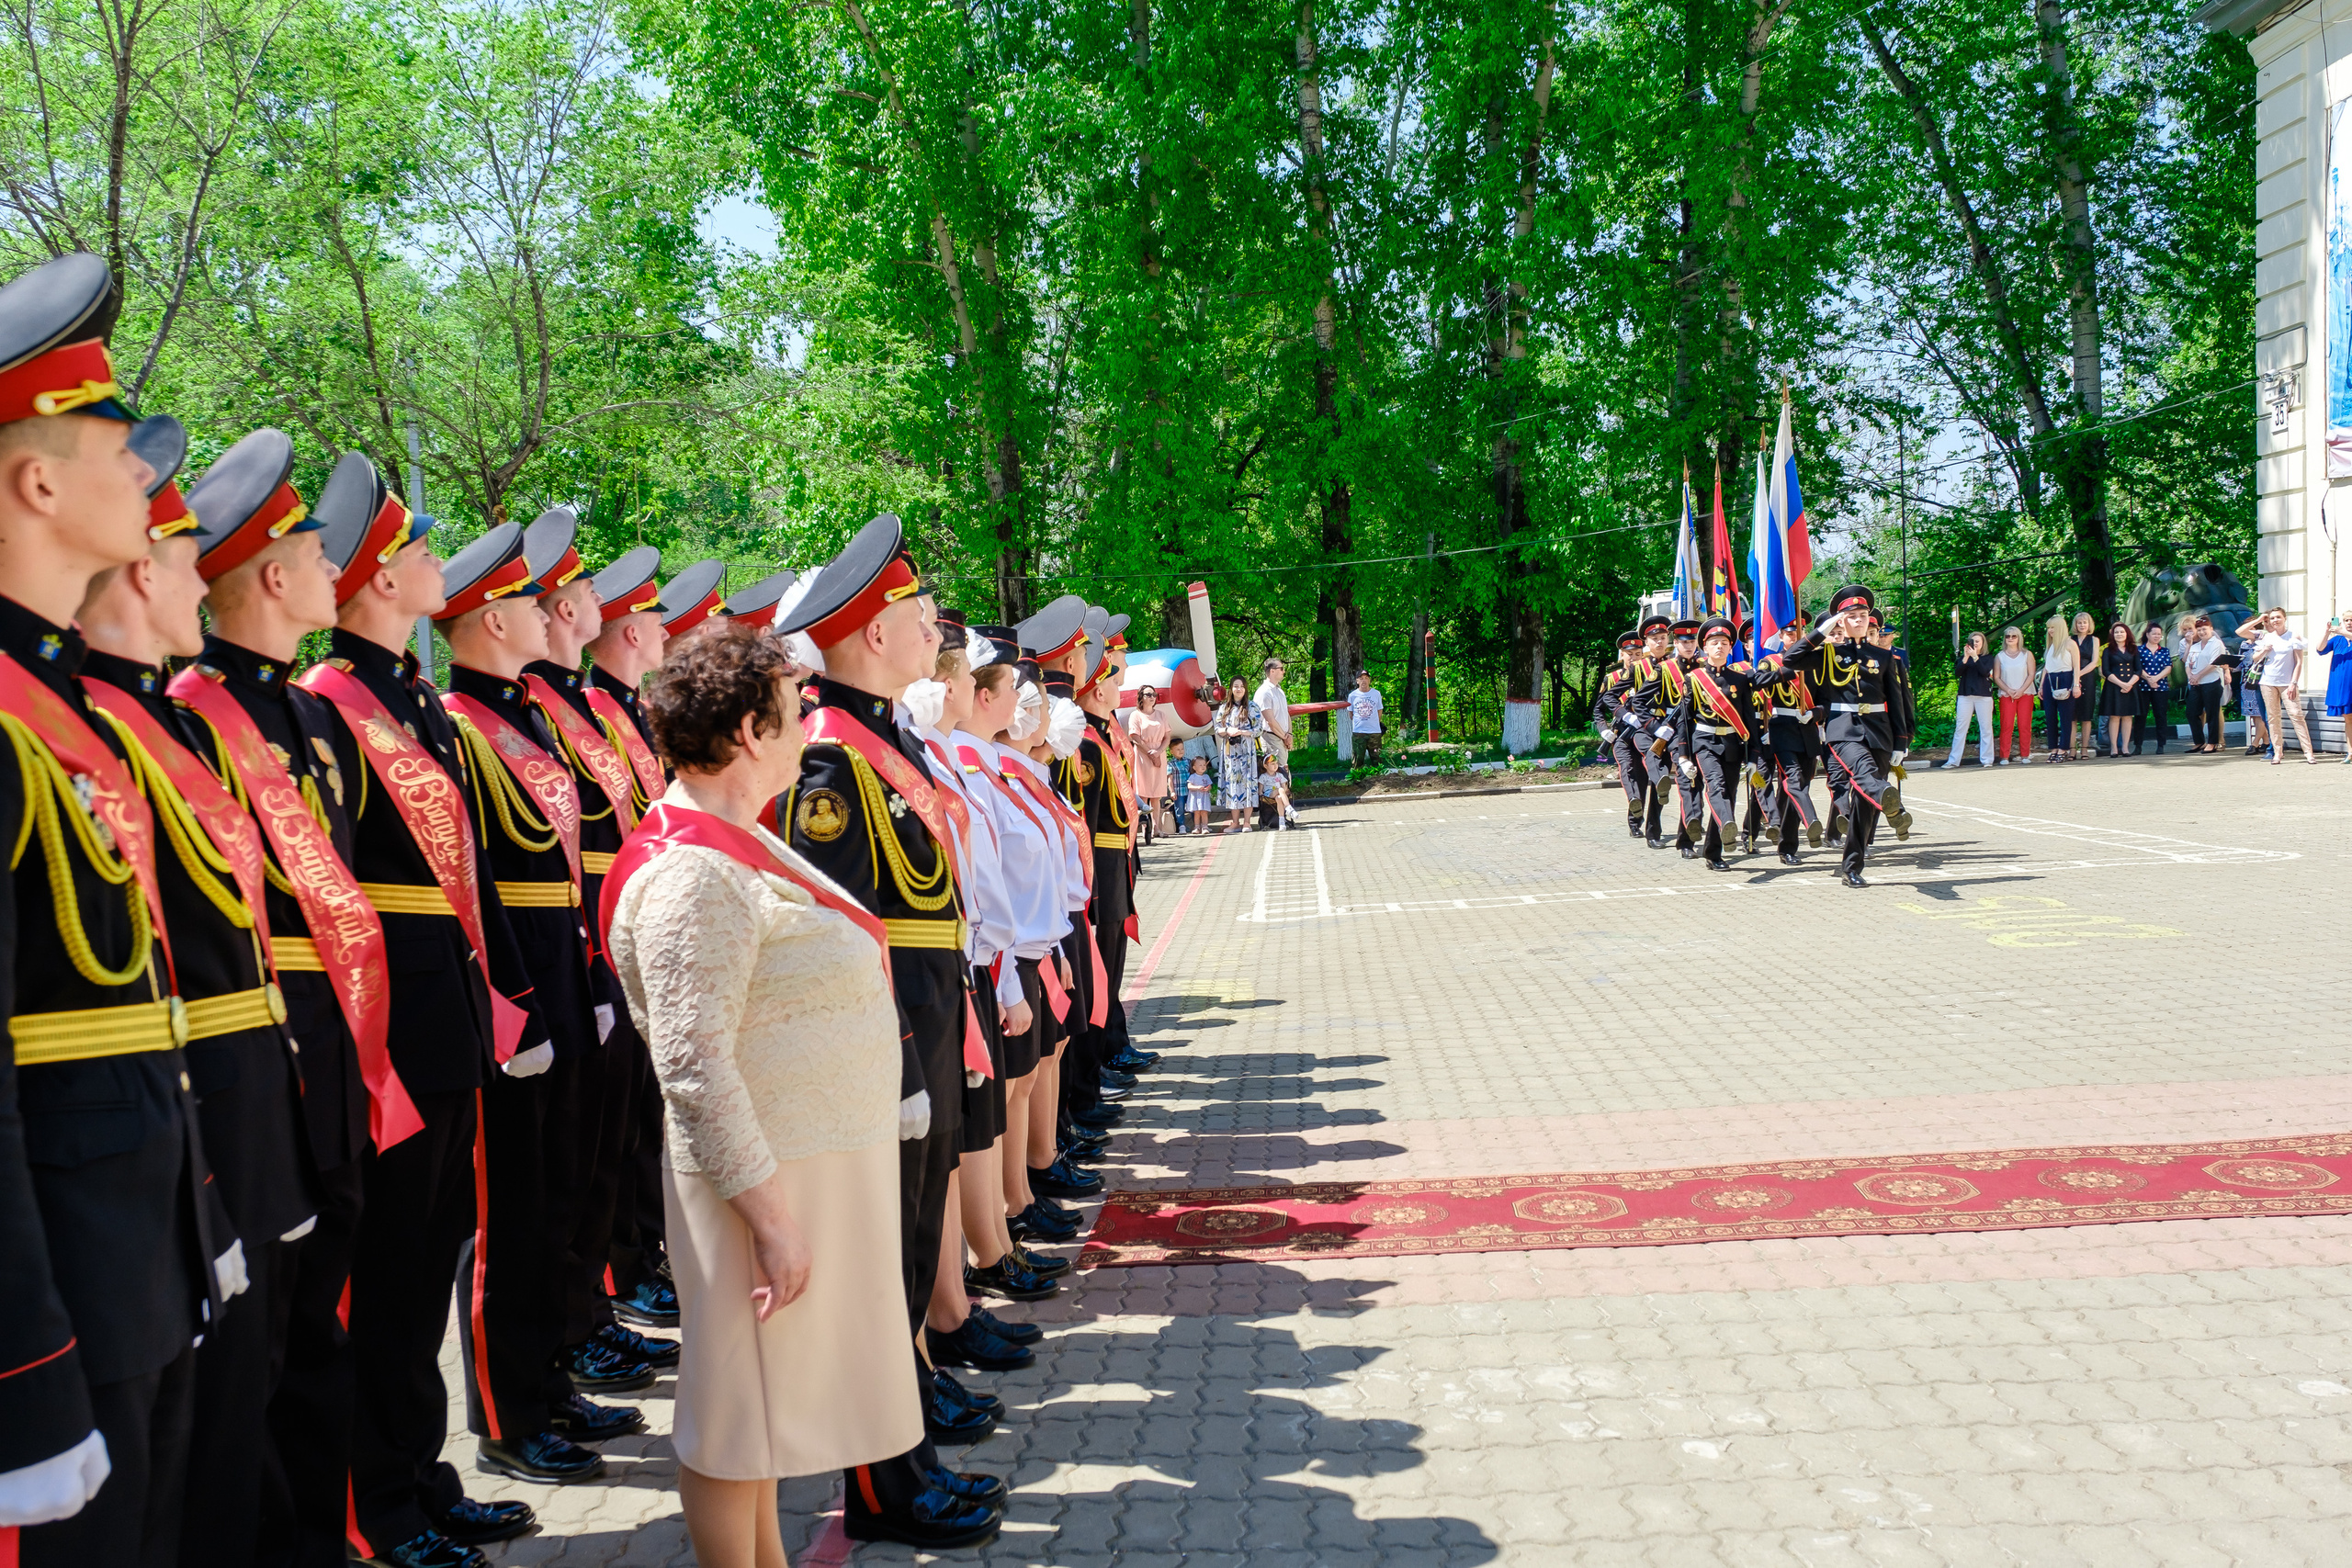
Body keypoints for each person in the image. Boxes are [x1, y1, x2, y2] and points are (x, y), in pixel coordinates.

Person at [602, 624, 947, 1568]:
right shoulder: (692, 872)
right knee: (732, 1417)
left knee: (761, 1420)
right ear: (751, 732)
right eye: (794, 713)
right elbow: (694, 1064)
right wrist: (772, 1220)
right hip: (759, 1185)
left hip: (804, 1165)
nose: (808, 729)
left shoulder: (737, 841)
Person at [0, 253, 229, 1567]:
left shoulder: (57, 710)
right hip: (61, 1303)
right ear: (37, 484)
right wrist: (22, 1380)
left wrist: (204, 1221)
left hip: (140, 1254)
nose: (146, 470)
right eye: (113, 442)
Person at [774, 514, 1006, 1546]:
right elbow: (837, 933)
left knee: (910, 1249)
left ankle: (906, 1456)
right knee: (882, 1259)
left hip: (928, 1008)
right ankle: (884, 1487)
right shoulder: (830, 758)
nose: (934, 633)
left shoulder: (882, 738)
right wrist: (900, 1054)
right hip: (888, 1031)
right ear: (873, 633)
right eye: (920, 617)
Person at [1769, 585, 1905, 888]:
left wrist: (1901, 742)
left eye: (1863, 615)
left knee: (1864, 804)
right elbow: (1790, 660)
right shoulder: (1828, 654)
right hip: (1843, 731)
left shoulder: (1883, 657)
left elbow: (1896, 701)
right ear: (1841, 621)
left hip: (1879, 732)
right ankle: (1885, 793)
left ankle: (1852, 866)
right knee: (1865, 774)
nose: (1859, 620)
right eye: (1852, 616)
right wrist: (1822, 631)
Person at [1667, 616, 1761, 871]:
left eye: (1724, 643)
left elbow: (1749, 720)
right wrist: (1683, 756)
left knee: (1729, 793)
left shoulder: (1740, 680)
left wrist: (1753, 756)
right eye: (1714, 643)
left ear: (1730, 648)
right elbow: (1685, 719)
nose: (1719, 647)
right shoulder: (1694, 679)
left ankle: (1713, 852)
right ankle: (1728, 823)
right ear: (1705, 648)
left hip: (1732, 743)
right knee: (1716, 786)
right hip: (1705, 742)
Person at [2244, 607, 2316, 764]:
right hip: (2267, 682)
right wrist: (2264, 650)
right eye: (2272, 618)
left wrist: (2293, 683)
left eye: (2278, 617)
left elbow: (2298, 663)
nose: (2275, 620)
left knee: (2296, 715)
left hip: (2287, 683)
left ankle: (2308, 752)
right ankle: (2277, 752)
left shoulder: (2293, 636)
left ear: (2284, 618)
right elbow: (2255, 658)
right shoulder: (2266, 637)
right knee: (2272, 717)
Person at [1123, 685, 1172, 841]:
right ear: (1141, 697)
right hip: (1143, 754)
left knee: (1157, 794)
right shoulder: (1136, 715)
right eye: (1148, 694)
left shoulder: (1161, 715)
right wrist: (1150, 753)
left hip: (1159, 752)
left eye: (1154, 694)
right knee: (1143, 793)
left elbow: (1167, 737)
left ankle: (1157, 828)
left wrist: (1159, 751)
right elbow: (1135, 737)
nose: (1152, 697)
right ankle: (1146, 828)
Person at [1212, 676, 1260, 832]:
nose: (1239, 689)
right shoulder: (1224, 708)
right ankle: (1235, 822)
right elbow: (1217, 728)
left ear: (1245, 689)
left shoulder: (1252, 707)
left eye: (1242, 686)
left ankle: (1247, 822)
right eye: (1236, 686)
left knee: (1247, 784)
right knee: (1232, 784)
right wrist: (1228, 730)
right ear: (1231, 689)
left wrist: (1241, 732)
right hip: (1230, 752)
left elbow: (1259, 729)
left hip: (1247, 751)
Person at [1944, 631, 1994, 768]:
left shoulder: (1988, 658)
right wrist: (1966, 657)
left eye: (1978, 641)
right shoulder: (1963, 658)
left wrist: (1975, 657)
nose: (1975, 644)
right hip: (1965, 695)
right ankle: (1953, 760)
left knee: (1986, 728)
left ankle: (1987, 760)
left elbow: (1985, 672)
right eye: (1973, 641)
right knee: (1960, 728)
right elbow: (1957, 673)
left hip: (1983, 696)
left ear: (1983, 643)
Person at [2182, 615, 2230, 754]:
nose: (2202, 632)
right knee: (2191, 712)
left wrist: (2198, 675)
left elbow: (2214, 663)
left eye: (2205, 629)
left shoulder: (2216, 643)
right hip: (2196, 684)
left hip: (2211, 682)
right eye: (2199, 630)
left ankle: (2213, 742)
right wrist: (2191, 676)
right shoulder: (2195, 646)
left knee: (2212, 713)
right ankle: (2199, 741)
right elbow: (2187, 663)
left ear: (2211, 629)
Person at [2098, 620, 2144, 759]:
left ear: (2127, 633)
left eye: (2122, 632)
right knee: (2114, 716)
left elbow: (2138, 669)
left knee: (2128, 716)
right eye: (2116, 632)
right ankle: (2114, 748)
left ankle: (2125, 747)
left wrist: (2129, 684)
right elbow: (2106, 671)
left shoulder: (2133, 649)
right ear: (2112, 634)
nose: (2119, 634)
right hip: (2114, 686)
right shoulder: (2108, 650)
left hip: (2131, 686)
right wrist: (2121, 684)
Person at [2040, 615, 2080, 763]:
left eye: (2053, 627)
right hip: (2050, 680)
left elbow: (2076, 666)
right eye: (2049, 628)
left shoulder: (2070, 644)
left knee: (2065, 717)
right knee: (2050, 716)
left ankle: (2064, 749)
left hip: (2065, 678)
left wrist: (2076, 685)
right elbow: (2046, 667)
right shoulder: (2050, 646)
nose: (2050, 631)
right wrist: (2041, 685)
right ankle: (2053, 749)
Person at [1993, 626, 2036, 764]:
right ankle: (2004, 756)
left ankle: (2025, 755)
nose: (2010, 638)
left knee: (2025, 725)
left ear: (2019, 638)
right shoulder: (1999, 656)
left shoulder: (2027, 654)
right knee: (2006, 725)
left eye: (2014, 636)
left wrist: (2021, 690)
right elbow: (1996, 677)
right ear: (2004, 639)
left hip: (2026, 693)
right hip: (2007, 694)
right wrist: (2008, 690)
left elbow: (2031, 674)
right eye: (2008, 636)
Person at [2135, 622, 2174, 754]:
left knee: (2161, 716)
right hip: (2143, 687)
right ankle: (2138, 745)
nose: (2157, 636)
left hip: (2160, 687)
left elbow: (2168, 667)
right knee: (2140, 716)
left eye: (2159, 634)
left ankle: (2161, 745)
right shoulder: (2139, 650)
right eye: (2154, 634)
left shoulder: (2164, 650)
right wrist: (2149, 679)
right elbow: (2137, 667)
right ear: (2147, 634)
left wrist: (2155, 678)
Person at [1251, 658, 1292, 769]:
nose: (1284, 671)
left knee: (1283, 770)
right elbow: (1270, 721)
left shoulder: (1279, 691)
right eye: (1281, 668)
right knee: (1277, 771)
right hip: (1270, 737)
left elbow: (1286, 714)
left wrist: (1290, 735)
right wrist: (1285, 737)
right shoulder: (1264, 692)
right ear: (1272, 671)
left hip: (1282, 737)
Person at [2070, 612, 2100, 756]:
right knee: (2072, 716)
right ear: (2075, 625)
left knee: (2086, 715)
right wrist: (2074, 676)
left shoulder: (2094, 640)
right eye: (2079, 623)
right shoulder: (2070, 640)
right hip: (2070, 677)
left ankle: (2084, 749)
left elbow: (2094, 662)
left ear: (2089, 624)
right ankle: (2072, 749)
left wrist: (2079, 674)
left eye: (2085, 622)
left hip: (2087, 677)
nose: (2082, 625)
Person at [1346, 669, 1385, 767]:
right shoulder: (1352, 695)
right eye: (1361, 678)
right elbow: (1351, 713)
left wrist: (1375, 723)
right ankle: (1358, 777)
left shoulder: (1376, 693)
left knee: (1378, 760)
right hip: (1359, 732)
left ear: (1369, 680)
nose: (1364, 681)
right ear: (1357, 681)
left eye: (1366, 678)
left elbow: (1379, 710)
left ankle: (1379, 776)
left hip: (1374, 732)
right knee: (1357, 761)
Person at [1258, 751, 1294, 829]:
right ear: (1266, 766)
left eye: (1276, 763)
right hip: (1268, 794)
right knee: (1280, 789)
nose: (1275, 766)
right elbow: (1260, 790)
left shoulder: (1280, 775)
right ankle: (1289, 808)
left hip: (1279, 794)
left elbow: (1285, 788)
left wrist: (1284, 793)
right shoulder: (1263, 777)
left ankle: (1282, 823)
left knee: (1279, 798)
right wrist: (1260, 797)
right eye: (1272, 764)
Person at [1185, 756, 1213, 830]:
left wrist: (1207, 788)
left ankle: (1205, 826)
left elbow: (1210, 786)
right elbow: (1189, 786)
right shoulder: (1193, 776)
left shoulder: (1206, 776)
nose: (1203, 767)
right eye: (1200, 765)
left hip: (1204, 797)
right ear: (1194, 767)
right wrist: (1197, 787)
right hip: (1196, 797)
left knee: (1204, 812)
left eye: (1204, 765)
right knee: (1197, 813)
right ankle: (1197, 827)